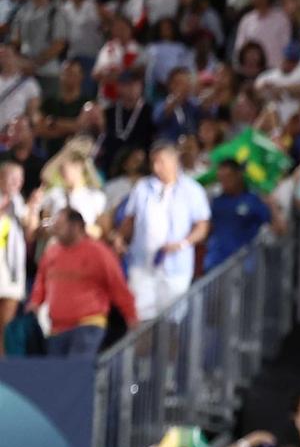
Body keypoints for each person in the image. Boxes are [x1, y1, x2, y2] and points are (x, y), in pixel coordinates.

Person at [116, 141, 211, 319]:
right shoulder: (143, 187)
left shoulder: (192, 190)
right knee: (141, 319)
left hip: (176, 266)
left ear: (174, 161)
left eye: (161, 162)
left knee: (172, 321)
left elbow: (202, 226)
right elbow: (130, 220)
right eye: (154, 162)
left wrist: (183, 243)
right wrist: (120, 238)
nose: (156, 167)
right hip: (143, 264)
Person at [28, 206, 137, 355]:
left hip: (88, 324)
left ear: (76, 226)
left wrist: (131, 316)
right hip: (56, 328)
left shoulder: (99, 252)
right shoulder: (52, 252)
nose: (56, 230)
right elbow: (41, 280)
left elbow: (117, 286)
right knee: (57, 376)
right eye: (55, 226)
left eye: (60, 225)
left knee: (76, 372)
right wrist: (35, 302)